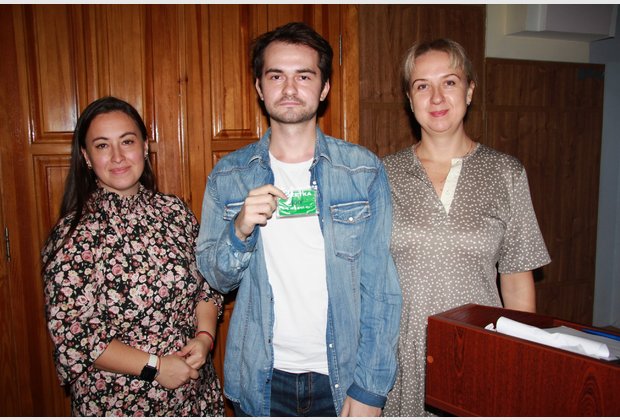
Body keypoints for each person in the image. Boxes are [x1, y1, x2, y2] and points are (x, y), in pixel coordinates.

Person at [196, 22, 402, 417]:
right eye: (276, 76)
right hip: (260, 377)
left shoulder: (362, 171)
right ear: (259, 87)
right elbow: (216, 279)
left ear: (324, 88)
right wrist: (239, 230)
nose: (289, 88)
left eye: (304, 76)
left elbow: (381, 290)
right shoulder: (228, 176)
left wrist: (371, 388)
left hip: (341, 377)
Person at [382, 38, 551, 416]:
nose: (436, 97)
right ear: (409, 99)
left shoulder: (506, 173)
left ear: (470, 91)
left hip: (479, 352)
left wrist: (517, 359)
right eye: (422, 86)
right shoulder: (383, 175)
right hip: (400, 358)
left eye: (449, 82)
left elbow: (516, 280)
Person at [41, 96, 225, 416]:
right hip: (120, 403)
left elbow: (206, 285)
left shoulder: (175, 212)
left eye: (127, 141)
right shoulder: (73, 236)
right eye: (102, 145)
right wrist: (155, 367)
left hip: (195, 397)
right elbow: (74, 333)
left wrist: (204, 338)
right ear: (86, 157)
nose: (117, 156)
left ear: (145, 146)